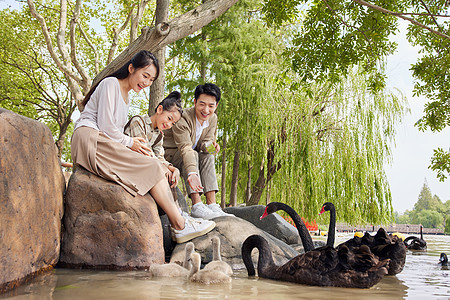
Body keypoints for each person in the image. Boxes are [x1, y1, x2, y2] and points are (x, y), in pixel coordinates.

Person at [71, 50, 215, 243]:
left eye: (151, 79)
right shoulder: (110, 84)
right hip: (89, 138)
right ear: (131, 68)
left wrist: (166, 165)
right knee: (154, 166)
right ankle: (180, 225)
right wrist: (130, 143)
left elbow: (116, 133)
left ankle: (179, 222)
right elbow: (106, 127)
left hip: (104, 142)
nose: (146, 83)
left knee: (156, 166)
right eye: (144, 75)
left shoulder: (126, 97)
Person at [163, 83, 234, 219]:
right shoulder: (183, 118)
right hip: (171, 155)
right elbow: (185, 148)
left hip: (190, 155)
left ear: (216, 106)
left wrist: (211, 147)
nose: (206, 110)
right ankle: (197, 205)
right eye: (202, 104)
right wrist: (192, 173)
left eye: (211, 106)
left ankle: (212, 204)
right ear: (195, 102)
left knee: (208, 156)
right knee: (193, 154)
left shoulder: (212, 119)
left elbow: (204, 143)